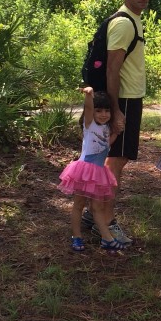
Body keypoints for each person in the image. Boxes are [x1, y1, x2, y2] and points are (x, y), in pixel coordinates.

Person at [83, 0, 151, 245]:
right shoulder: (124, 23)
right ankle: (105, 222)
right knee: (114, 164)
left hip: (128, 98)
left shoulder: (132, 19)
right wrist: (116, 109)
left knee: (111, 161)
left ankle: (92, 214)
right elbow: (112, 70)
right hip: (122, 99)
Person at [58, 88, 126, 252]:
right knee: (78, 205)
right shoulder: (89, 124)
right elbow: (88, 109)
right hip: (84, 171)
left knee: (97, 207)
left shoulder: (106, 128)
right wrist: (89, 96)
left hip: (98, 172)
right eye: (99, 111)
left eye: (107, 111)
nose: (103, 114)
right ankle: (76, 237)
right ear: (92, 112)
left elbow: (105, 145)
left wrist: (116, 133)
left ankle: (107, 239)